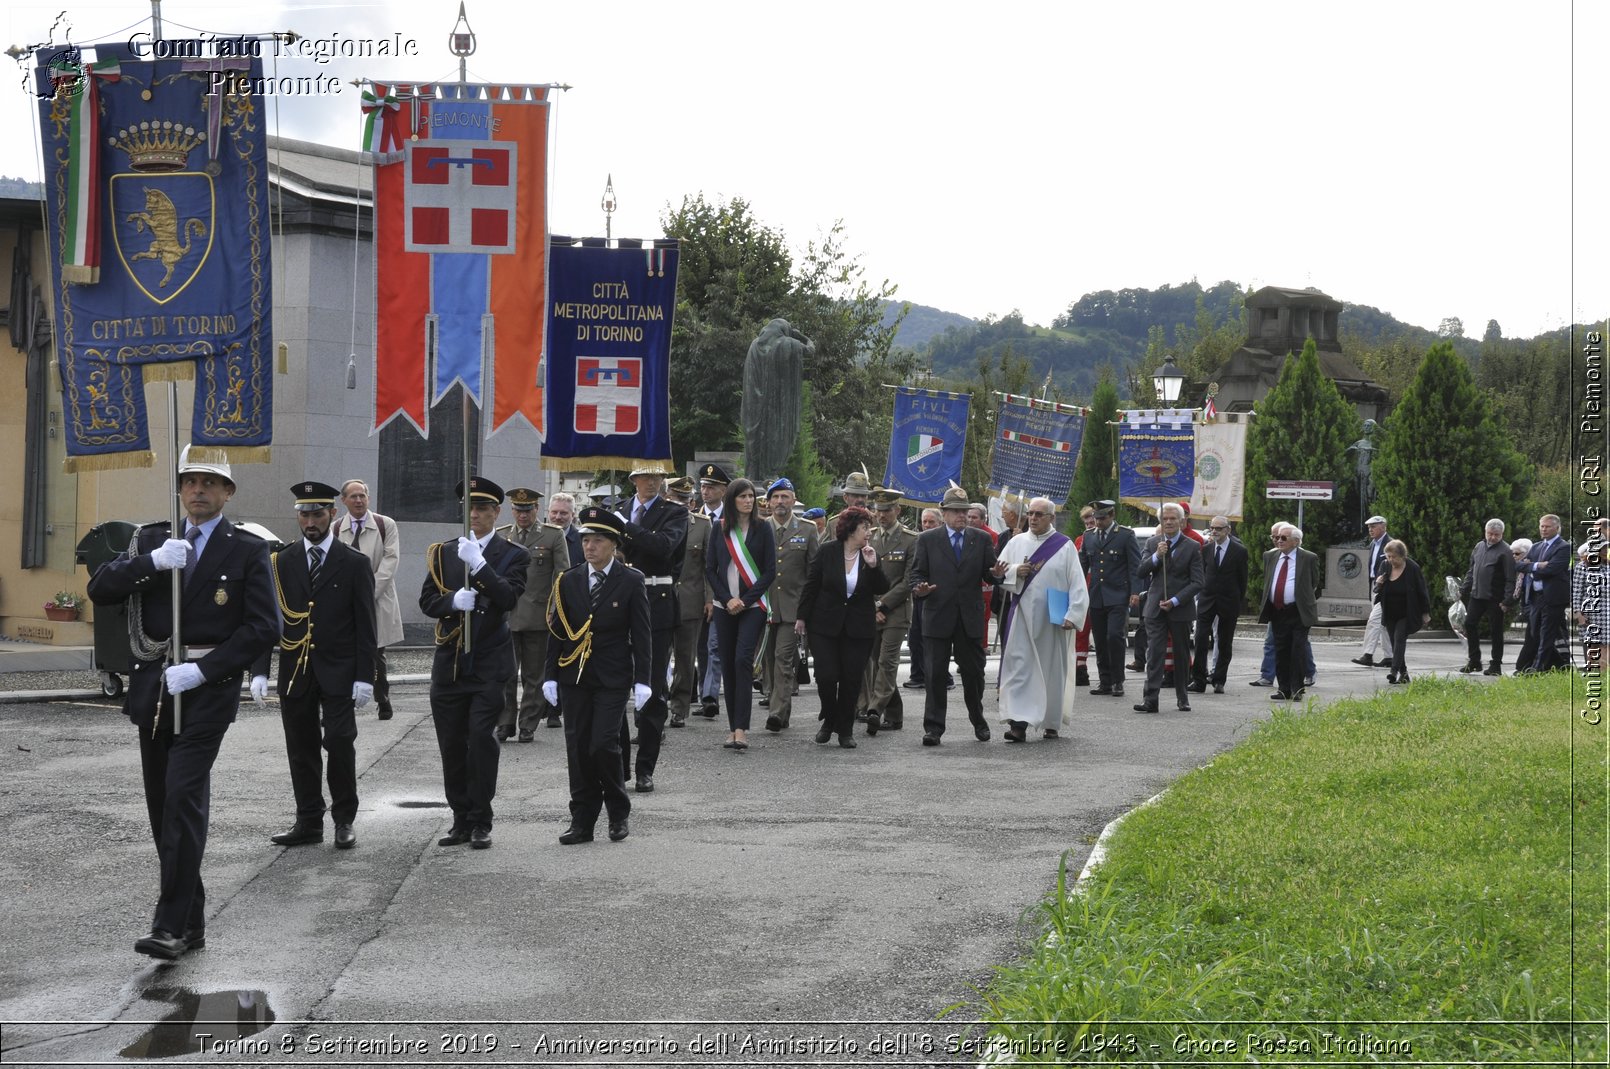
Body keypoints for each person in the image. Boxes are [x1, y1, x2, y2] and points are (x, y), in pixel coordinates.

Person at [86, 446, 279, 960]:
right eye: (190, 481)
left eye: (210, 483)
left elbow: (264, 626)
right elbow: (100, 588)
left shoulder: (246, 549)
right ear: (179, 488)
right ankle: (190, 920)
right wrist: (149, 562)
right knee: (161, 807)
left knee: (183, 798)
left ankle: (168, 925)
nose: (198, 491)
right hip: (155, 689)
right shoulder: (152, 538)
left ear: (228, 493)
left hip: (207, 689)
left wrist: (206, 668)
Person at [254, 481, 376, 850]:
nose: (310, 521)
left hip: (339, 670)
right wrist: (259, 669)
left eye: (318, 514)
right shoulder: (280, 562)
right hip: (295, 671)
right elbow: (265, 619)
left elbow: (366, 624)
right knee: (301, 748)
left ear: (332, 515)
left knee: (339, 743)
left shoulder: (354, 563)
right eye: (304, 514)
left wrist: (364, 677)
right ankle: (308, 821)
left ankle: (343, 820)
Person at [419, 476, 529, 850]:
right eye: (470, 508)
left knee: (480, 740)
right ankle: (460, 819)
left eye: (483, 508)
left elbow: (508, 598)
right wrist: (452, 601)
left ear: (497, 512)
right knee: (452, 743)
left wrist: (479, 566)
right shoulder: (444, 552)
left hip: (488, 662)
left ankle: (482, 818)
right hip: (450, 664)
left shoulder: (514, 554)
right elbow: (428, 600)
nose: (476, 514)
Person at [543, 507, 651, 845]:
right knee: (577, 748)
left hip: (613, 676)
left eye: (598, 540)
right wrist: (549, 675)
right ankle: (582, 820)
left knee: (603, 743)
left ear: (613, 545)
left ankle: (618, 811)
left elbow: (643, 634)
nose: (589, 546)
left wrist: (645, 679)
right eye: (586, 540)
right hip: (574, 675)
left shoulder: (631, 580)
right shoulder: (569, 579)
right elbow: (557, 631)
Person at [614, 463, 689, 792]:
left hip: (655, 603)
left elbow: (663, 547)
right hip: (617, 605)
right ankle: (619, 766)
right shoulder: (616, 509)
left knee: (652, 690)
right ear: (633, 480)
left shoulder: (674, 512)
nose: (651, 482)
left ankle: (645, 767)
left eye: (657, 477)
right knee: (615, 689)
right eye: (644, 477)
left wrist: (625, 529)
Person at [910, 486, 1002, 745]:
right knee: (934, 674)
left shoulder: (981, 539)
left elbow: (989, 572)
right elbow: (917, 574)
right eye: (956, 512)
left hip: (969, 618)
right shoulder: (928, 539)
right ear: (944, 513)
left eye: (964, 512)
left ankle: (978, 720)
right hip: (937, 615)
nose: (962, 516)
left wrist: (995, 574)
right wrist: (921, 589)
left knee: (974, 674)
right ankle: (934, 728)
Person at [995, 497, 1089, 741]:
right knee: (1019, 669)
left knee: (1051, 671)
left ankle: (1050, 721)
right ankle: (1018, 724)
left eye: (1039, 514)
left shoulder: (1064, 545)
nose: (1033, 518)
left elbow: (1077, 583)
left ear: (1051, 518)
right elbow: (999, 573)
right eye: (1030, 514)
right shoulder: (1015, 542)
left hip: (1052, 621)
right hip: (1022, 618)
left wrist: (1073, 615)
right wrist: (1016, 571)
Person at [798, 506, 889, 747]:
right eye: (864, 527)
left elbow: (881, 587)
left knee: (851, 679)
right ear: (850, 529)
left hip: (858, 628)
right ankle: (829, 717)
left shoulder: (870, 554)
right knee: (827, 676)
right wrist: (801, 618)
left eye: (869, 527)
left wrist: (873, 566)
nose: (868, 532)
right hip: (824, 625)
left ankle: (845, 729)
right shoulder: (828, 551)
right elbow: (811, 585)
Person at [706, 478, 776, 750]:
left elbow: (769, 571)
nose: (749, 501)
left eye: (751, 496)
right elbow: (710, 569)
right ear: (732, 500)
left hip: (752, 607)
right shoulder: (719, 529)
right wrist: (727, 599)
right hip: (725, 606)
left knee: (742, 660)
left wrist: (744, 601)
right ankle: (732, 727)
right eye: (743, 496)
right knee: (727, 664)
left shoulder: (763, 529)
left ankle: (742, 728)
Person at [498, 488, 570, 741]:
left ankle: (528, 723)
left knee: (534, 674)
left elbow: (562, 576)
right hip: (507, 615)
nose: (523, 515)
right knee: (505, 673)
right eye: (518, 510)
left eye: (527, 510)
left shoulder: (552, 535)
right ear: (512, 510)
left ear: (536, 510)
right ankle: (505, 722)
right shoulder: (502, 535)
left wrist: (555, 610)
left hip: (539, 615)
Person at [337, 479, 402, 719]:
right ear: (344, 500)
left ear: (368, 498)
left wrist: (366, 593)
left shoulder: (386, 525)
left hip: (376, 599)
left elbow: (390, 561)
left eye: (362, 495)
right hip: (345, 603)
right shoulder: (336, 529)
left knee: (375, 652)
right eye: (353, 496)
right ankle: (341, 702)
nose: (358, 500)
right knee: (344, 651)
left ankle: (382, 698)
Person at [1133, 503, 1205, 714]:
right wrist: (1156, 556)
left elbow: (1198, 582)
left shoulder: (1192, 546)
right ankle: (1150, 699)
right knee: (1154, 653)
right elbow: (1141, 571)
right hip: (1155, 607)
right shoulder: (1153, 542)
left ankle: (1182, 698)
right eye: (1165, 519)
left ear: (1182, 521)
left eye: (1173, 518)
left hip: (1179, 608)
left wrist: (1175, 600)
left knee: (1181, 655)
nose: (1169, 522)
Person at [760, 477, 819, 732]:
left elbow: (814, 573)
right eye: (776, 497)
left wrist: (808, 611)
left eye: (785, 496)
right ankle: (780, 709)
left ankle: (776, 711)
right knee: (768, 663)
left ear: (794, 500)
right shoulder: (759, 528)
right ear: (769, 502)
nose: (780, 501)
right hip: (763, 605)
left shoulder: (807, 529)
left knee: (783, 658)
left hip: (792, 607)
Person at [859, 488, 918, 732]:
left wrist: (883, 604)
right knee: (874, 660)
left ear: (897, 510)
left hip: (896, 611)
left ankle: (874, 708)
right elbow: (861, 574)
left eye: (886, 510)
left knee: (887, 661)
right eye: (877, 510)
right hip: (871, 611)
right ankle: (895, 715)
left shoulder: (910, 539)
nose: (881, 515)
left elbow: (908, 580)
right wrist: (873, 606)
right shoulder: (867, 537)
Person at [1080, 499, 1141, 699]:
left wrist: (1134, 592)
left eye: (1102, 518)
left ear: (1112, 515)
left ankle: (1117, 681)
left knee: (1114, 636)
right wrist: (1076, 590)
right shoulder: (1088, 537)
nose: (1098, 522)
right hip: (1096, 595)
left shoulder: (1125, 535)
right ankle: (1105, 680)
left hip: (1118, 595)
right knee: (1099, 639)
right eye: (1096, 518)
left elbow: (1135, 566)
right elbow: (1081, 567)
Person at [666, 476, 713, 728]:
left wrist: (709, 599)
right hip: (662, 599)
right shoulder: (659, 523)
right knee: (658, 657)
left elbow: (709, 565)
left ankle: (679, 708)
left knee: (685, 658)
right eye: (676, 499)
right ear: (666, 499)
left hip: (691, 599)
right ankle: (656, 702)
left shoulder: (703, 525)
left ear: (692, 502)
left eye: (685, 499)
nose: (681, 504)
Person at [1256, 522, 1320, 701]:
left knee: (1297, 650)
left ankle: (1297, 689)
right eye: (1276, 537)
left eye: (1283, 538)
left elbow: (1315, 582)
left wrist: (1302, 598)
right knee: (1280, 650)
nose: (1278, 540)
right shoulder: (1270, 556)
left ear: (1295, 541)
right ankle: (1283, 689)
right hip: (1277, 611)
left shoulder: (1308, 557)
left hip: (1298, 611)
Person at [1189, 516, 1247, 695]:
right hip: (1207, 600)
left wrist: (1237, 603)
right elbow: (1202, 574)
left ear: (1228, 530)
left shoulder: (1239, 551)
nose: (1214, 531)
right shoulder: (1206, 549)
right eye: (1212, 528)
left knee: (1224, 642)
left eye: (1219, 528)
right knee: (1199, 638)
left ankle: (1219, 680)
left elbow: (1242, 580)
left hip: (1228, 601)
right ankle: (1198, 680)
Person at [1459, 518, 1516, 676]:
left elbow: (1511, 578)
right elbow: (1472, 570)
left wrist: (1507, 600)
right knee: (1469, 624)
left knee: (1496, 631)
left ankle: (1495, 664)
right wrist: (1464, 589)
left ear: (1502, 534)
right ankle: (1474, 661)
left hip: (1495, 598)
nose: (1492, 537)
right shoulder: (1479, 546)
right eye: (1489, 534)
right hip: (1476, 595)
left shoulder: (1506, 551)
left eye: (1496, 535)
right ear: (1485, 532)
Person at [694, 464, 730, 718]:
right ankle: (704, 693)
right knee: (701, 646)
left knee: (716, 646)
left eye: (712, 487)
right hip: (698, 592)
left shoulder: (734, 519)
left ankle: (710, 695)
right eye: (703, 487)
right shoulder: (693, 519)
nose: (705, 492)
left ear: (723, 490)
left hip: (727, 592)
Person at [1517, 514, 1572, 673]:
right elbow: (1519, 565)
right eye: (1541, 526)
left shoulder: (1563, 547)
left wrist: (1533, 567)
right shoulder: (1536, 546)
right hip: (1536, 597)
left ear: (1557, 528)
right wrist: (1538, 565)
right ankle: (1559, 665)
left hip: (1553, 598)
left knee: (1547, 632)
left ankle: (1538, 667)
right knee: (1535, 632)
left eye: (1547, 526)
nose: (1543, 529)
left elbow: (1552, 569)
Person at [904, 507, 951, 692]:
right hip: (920, 596)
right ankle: (917, 674)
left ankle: (943, 677)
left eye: (931, 522)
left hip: (939, 597)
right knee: (915, 638)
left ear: (940, 523)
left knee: (934, 641)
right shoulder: (920, 541)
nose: (927, 525)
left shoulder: (944, 542)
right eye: (924, 521)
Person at [1374, 538, 1432, 684]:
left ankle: (1393, 671)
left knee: (1399, 639)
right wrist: (1379, 583)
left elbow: (1421, 590)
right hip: (1390, 611)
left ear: (1402, 555)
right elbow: (1378, 590)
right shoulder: (1385, 566)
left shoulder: (1412, 568)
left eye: (1394, 557)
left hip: (1407, 611)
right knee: (1394, 643)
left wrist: (1425, 612)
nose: (1391, 560)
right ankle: (1404, 673)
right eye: (1388, 556)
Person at [1352, 515, 1394, 669]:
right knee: (1383, 623)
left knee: (1374, 620)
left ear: (1383, 526)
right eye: (1369, 527)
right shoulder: (1372, 544)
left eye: (1374, 526)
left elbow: (1395, 565)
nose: (1370, 529)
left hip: (1386, 588)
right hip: (1374, 586)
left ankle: (1368, 654)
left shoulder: (1390, 543)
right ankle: (1389, 656)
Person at [1573, 541, 1610, 673]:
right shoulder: (1582, 567)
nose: (1606, 550)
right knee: (1593, 644)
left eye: (1606, 548)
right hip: (1591, 612)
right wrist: (1579, 614)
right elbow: (1576, 592)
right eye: (1603, 548)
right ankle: (1594, 671)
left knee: (1606, 643)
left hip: (1607, 610)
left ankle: (1605, 671)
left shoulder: (1607, 566)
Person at [546, 492, 583, 598]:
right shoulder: (538, 538)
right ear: (548, 512)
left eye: (563, 513)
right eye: (554, 512)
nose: (557, 517)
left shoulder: (583, 542)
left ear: (573, 515)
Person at [1509, 537, 1537, 672]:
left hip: (1534, 606)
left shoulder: (1530, 567)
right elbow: (1518, 591)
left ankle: (1523, 666)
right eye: (1513, 553)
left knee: (1532, 637)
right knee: (1532, 636)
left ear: (1526, 553)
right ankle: (1525, 666)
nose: (1514, 556)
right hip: (1527, 606)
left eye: (1517, 553)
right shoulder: (1521, 570)